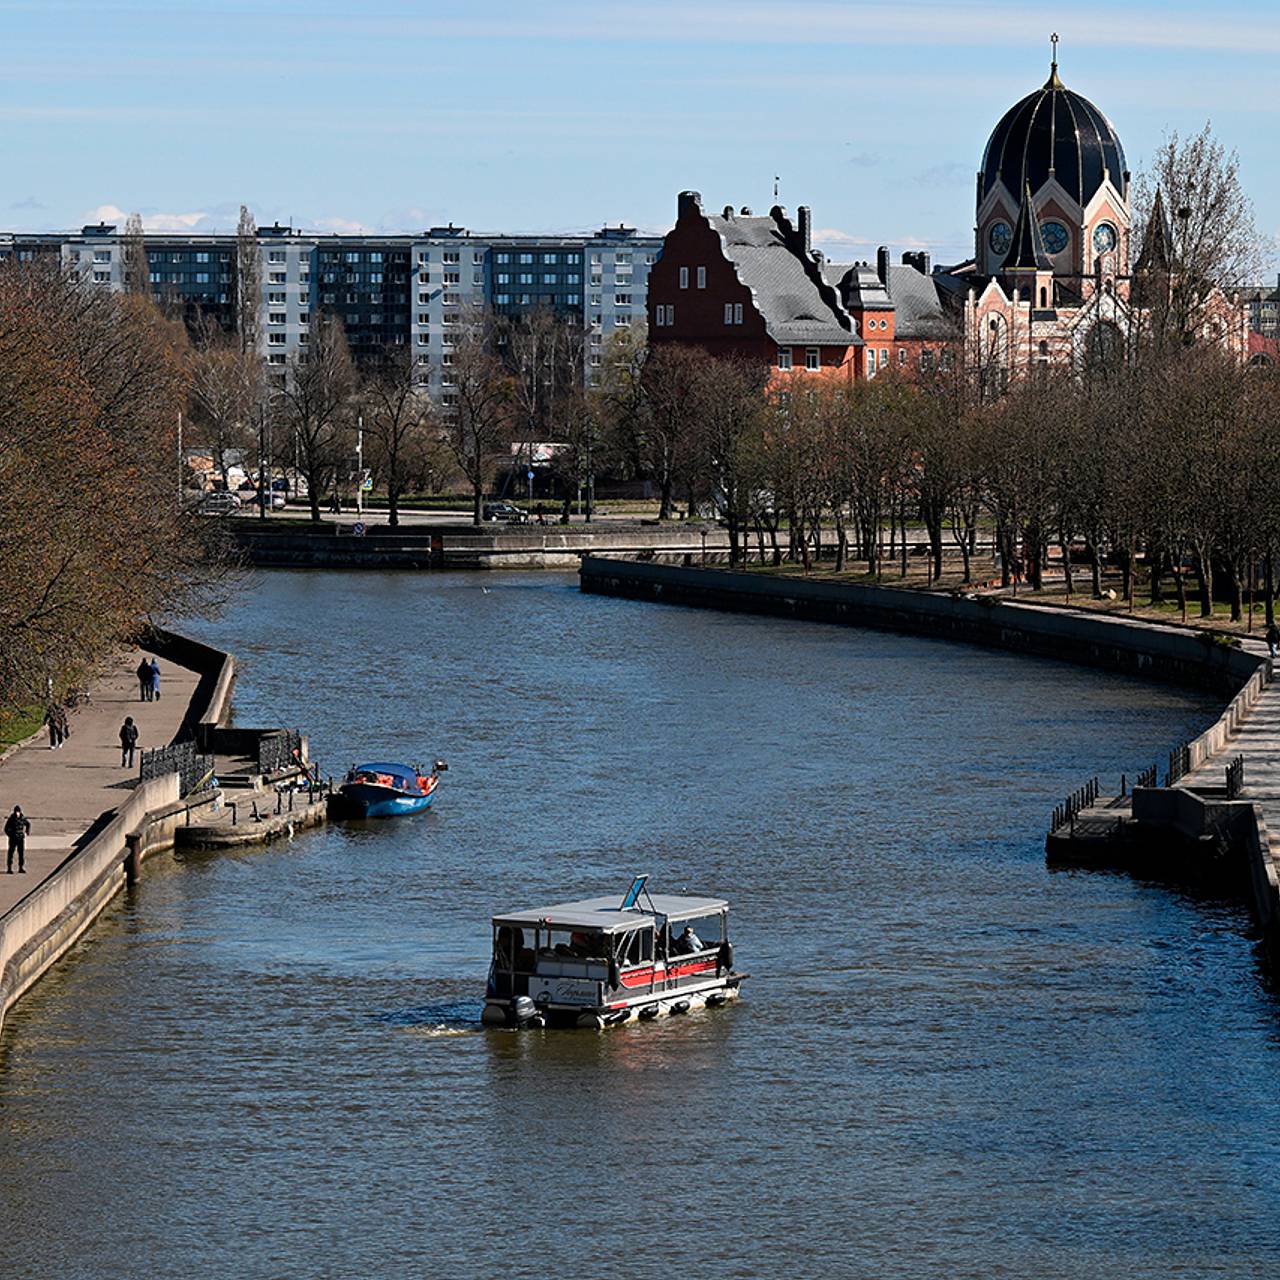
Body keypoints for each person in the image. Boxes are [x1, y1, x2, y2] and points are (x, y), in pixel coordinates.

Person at [5, 805, 30, 873]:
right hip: (13, 839)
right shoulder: (11, 819)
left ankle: (21, 867)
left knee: (21, 853)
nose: (17, 813)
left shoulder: (22, 818)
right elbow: (6, 829)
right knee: (11, 853)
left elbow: (28, 824)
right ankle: (9, 868)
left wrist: (26, 832)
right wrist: (10, 835)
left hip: (20, 838)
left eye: (18, 812)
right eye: (16, 812)